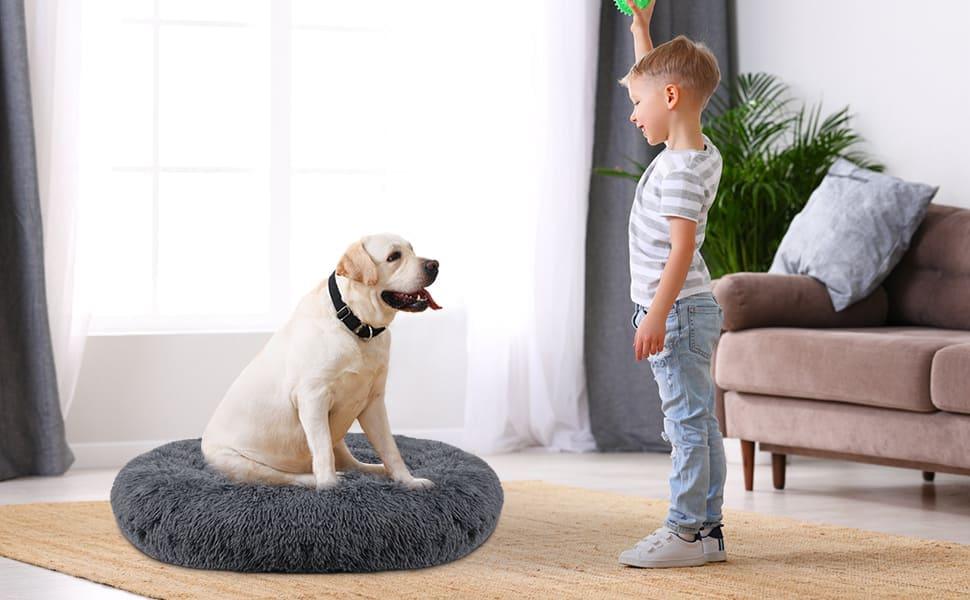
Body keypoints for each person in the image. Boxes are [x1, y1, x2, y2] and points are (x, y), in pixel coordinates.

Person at [616, 0, 728, 569]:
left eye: (637, 104)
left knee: (686, 425)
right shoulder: (697, 152)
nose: (633, 116)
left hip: (677, 312)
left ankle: (686, 531)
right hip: (692, 309)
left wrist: (655, 315)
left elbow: (681, 250)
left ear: (670, 100)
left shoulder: (682, 171)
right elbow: (657, 86)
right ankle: (707, 531)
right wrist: (641, 29)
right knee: (701, 424)